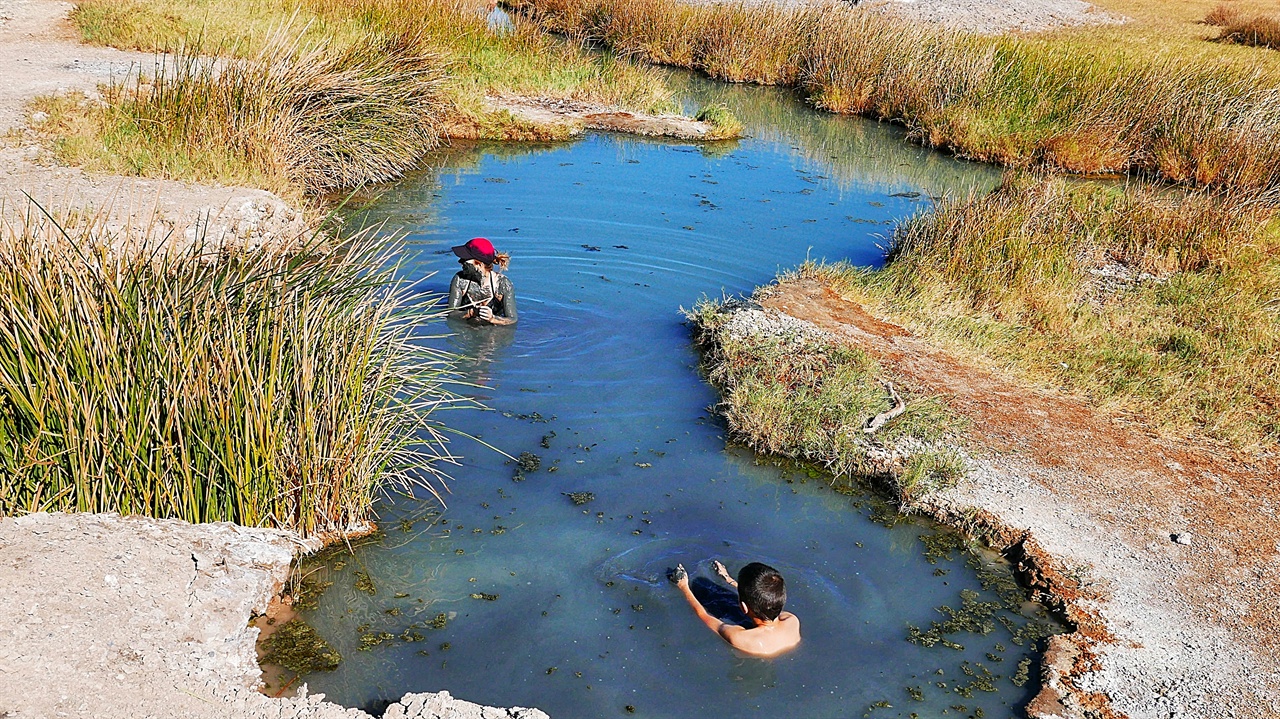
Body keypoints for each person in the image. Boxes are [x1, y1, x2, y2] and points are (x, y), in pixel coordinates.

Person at [670, 560, 801, 657]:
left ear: (743, 607)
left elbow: (704, 615)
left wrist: (683, 586)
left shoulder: (740, 638)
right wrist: (728, 579)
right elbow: (763, 600)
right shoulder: (791, 621)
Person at [448, 237, 517, 326]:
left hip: (493, 332)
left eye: (465, 259)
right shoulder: (459, 280)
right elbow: (451, 313)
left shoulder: (503, 284)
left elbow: (512, 319)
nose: (460, 261)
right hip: (466, 329)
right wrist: (472, 312)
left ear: (479, 264)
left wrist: (493, 318)